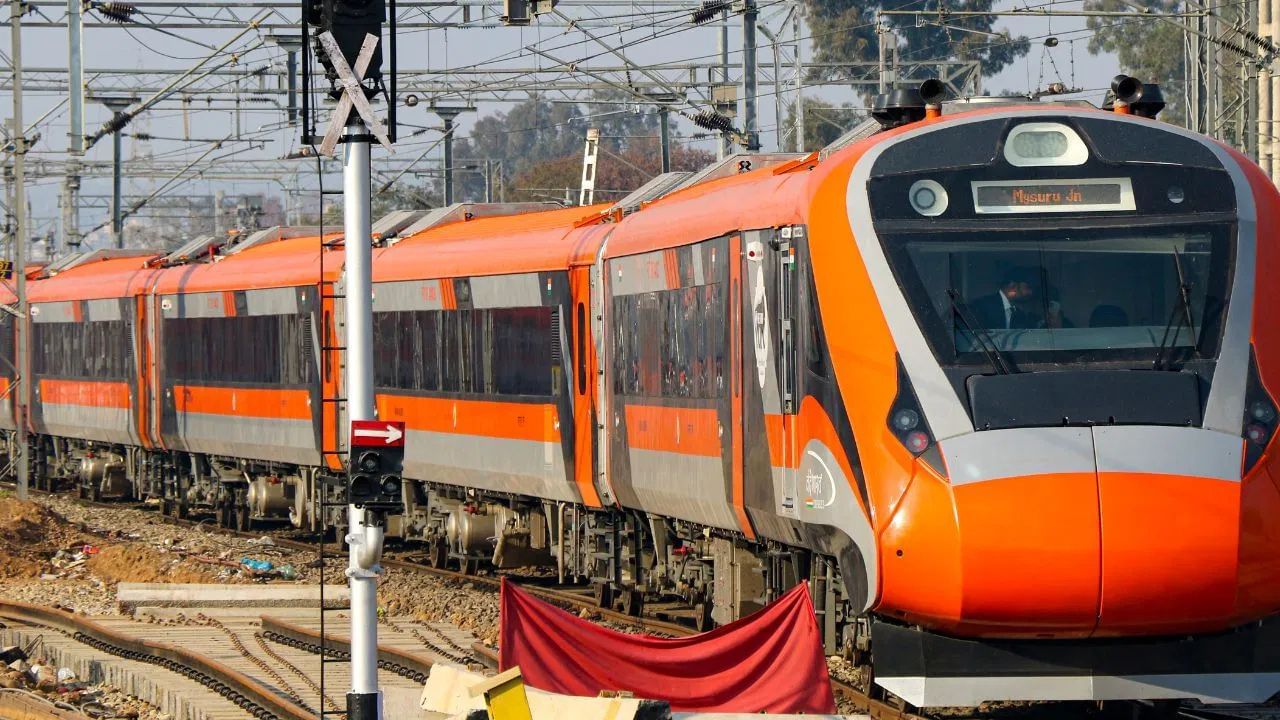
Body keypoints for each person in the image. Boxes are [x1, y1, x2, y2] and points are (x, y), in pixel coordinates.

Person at [969, 268, 1041, 330]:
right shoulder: (982, 306)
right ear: (1012, 286)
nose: (1030, 292)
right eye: (1027, 288)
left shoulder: (1019, 314)